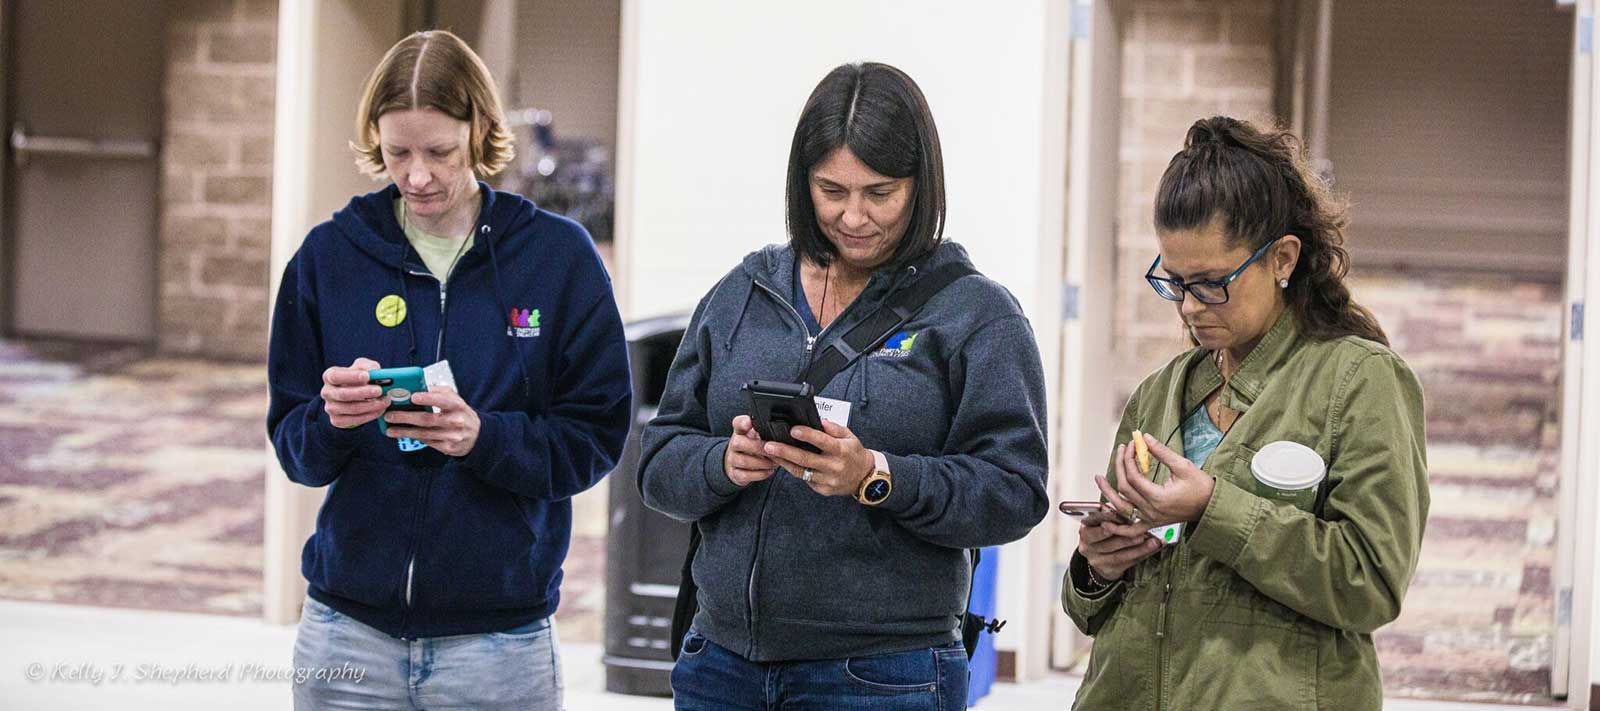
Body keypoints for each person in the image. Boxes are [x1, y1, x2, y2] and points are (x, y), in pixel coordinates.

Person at [638, 61, 1051, 710]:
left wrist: (876, 476)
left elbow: (1015, 491)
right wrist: (722, 462)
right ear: (803, 185)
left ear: (921, 185)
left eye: (879, 193)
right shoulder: (742, 294)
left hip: (885, 676)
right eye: (832, 190)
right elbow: (658, 459)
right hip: (720, 665)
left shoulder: (975, 315)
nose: (854, 216)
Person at [266, 30, 631, 710]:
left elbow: (596, 437)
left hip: (498, 644)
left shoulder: (558, 260)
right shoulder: (327, 258)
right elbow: (295, 447)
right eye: (396, 152)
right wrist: (331, 421)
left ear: (481, 131)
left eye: (439, 151)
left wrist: (482, 438)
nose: (418, 175)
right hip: (347, 635)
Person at [1061, 116, 1429, 710]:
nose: (1187, 307)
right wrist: (1097, 566)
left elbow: (1371, 583)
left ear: (1282, 258)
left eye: (1211, 283)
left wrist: (1213, 509)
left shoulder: (1361, 381)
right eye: (1173, 281)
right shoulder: (1160, 393)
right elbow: (1092, 609)